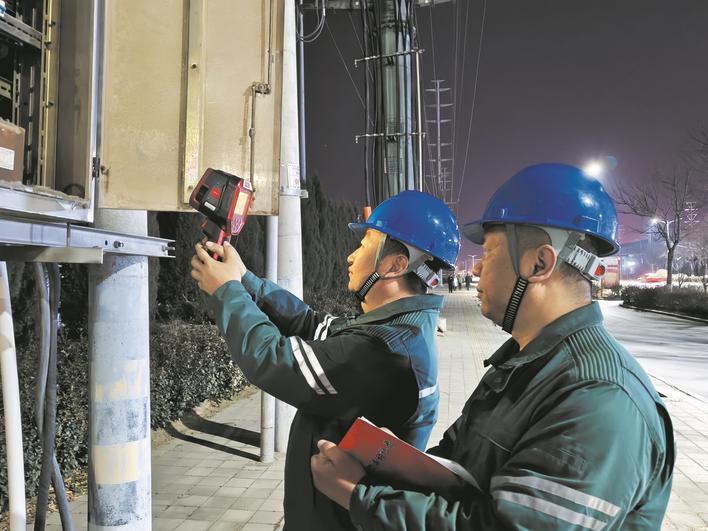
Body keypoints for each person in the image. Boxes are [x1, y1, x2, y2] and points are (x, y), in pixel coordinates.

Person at [310, 163, 675, 530]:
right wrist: (395, 463)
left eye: (490, 252)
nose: (477, 269)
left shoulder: (599, 400)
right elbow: (460, 470)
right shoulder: (525, 365)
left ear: (539, 263)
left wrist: (361, 496)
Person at [190, 190, 460, 530]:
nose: (351, 255)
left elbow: (274, 360)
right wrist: (244, 278)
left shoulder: (388, 351)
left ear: (395, 265)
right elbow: (311, 323)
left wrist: (227, 290)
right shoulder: (394, 327)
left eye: (365, 244)